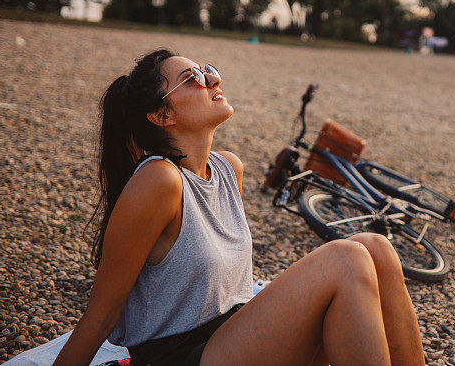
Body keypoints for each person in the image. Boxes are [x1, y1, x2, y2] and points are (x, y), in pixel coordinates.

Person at [53, 48, 425, 366]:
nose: (213, 80)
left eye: (209, 70)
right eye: (194, 78)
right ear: (162, 116)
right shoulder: (159, 181)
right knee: (346, 258)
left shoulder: (229, 168)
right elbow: (100, 316)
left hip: (234, 334)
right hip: (183, 355)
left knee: (377, 247)